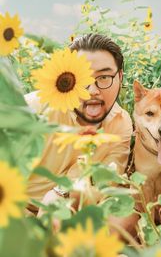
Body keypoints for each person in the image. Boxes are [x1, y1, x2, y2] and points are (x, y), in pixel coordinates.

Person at [25, 33, 133, 214]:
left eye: (104, 77)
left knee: (126, 217)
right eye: (83, 80)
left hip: (73, 212)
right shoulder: (35, 109)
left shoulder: (120, 123)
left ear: (120, 77)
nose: (93, 91)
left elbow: (104, 178)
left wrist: (61, 193)